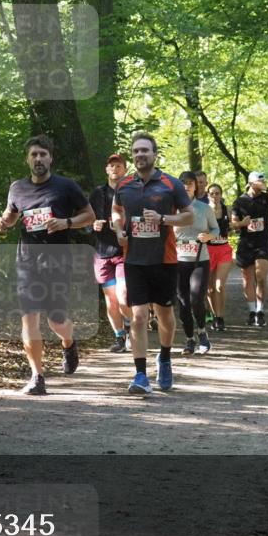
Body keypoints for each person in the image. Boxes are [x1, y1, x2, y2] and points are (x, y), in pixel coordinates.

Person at [0, 135, 94, 395]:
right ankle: (37, 376)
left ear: (51, 157)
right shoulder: (17, 188)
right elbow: (12, 216)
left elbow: (90, 216)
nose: (38, 159)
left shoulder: (66, 187)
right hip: (27, 263)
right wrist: (3, 223)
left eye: (42, 154)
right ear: (27, 159)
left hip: (58, 262)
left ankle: (68, 342)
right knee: (29, 320)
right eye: (33, 155)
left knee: (56, 320)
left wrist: (66, 223)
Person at [112, 132, 193, 394]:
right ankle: (140, 375)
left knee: (165, 315)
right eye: (135, 151)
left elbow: (189, 217)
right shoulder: (124, 185)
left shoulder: (171, 184)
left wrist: (163, 220)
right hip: (134, 259)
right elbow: (116, 210)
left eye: (144, 150)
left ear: (155, 154)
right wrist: (118, 229)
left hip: (164, 260)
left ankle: (165, 358)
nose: (139, 155)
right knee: (137, 316)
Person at [231, 171, 268, 327]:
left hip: (263, 242)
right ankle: (252, 311)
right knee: (247, 279)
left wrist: (267, 189)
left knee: (261, 276)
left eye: (263, 181)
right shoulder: (239, 201)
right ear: (250, 183)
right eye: (259, 182)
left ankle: (260, 311)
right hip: (246, 243)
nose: (262, 183)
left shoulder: (266, 197)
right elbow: (234, 224)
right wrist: (242, 224)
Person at [173, 171, 220, 354]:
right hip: (178, 260)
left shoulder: (204, 208)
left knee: (195, 298)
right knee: (183, 302)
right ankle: (189, 339)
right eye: (183, 182)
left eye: (190, 183)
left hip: (200, 259)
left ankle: (202, 332)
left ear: (195, 186)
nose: (186, 185)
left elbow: (216, 229)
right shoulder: (172, 208)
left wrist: (208, 236)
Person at [89, 153, 132, 352]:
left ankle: (133, 329)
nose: (114, 169)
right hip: (102, 252)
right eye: (111, 166)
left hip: (125, 251)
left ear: (125, 169)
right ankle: (120, 337)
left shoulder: (132, 191)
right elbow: (86, 219)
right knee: (111, 299)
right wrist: (93, 225)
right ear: (106, 169)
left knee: (123, 295)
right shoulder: (97, 193)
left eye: (118, 166)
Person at [205, 183, 234, 331]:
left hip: (223, 249)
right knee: (209, 288)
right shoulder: (204, 210)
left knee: (219, 285)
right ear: (208, 195)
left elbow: (233, 225)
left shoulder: (227, 209)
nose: (215, 196)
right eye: (212, 193)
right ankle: (214, 314)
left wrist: (238, 224)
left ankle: (220, 317)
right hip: (208, 250)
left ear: (221, 195)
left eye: (217, 193)